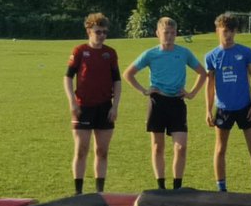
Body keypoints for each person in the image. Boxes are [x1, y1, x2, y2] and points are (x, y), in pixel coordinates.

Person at [123, 17, 207, 190]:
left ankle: (177, 186)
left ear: (176, 34)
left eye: (172, 33)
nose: (169, 36)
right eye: (165, 33)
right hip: (157, 103)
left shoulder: (184, 53)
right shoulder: (150, 54)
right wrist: (144, 90)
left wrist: (191, 93)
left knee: (181, 147)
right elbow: (128, 74)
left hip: (177, 103)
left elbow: (202, 73)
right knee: (157, 146)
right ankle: (161, 187)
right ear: (157, 33)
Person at [204, 13, 251, 194]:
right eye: (224, 31)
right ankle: (221, 189)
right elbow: (209, 84)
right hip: (223, 109)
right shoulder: (211, 56)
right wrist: (208, 109)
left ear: (235, 32)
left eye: (231, 31)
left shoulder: (246, 52)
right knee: (220, 149)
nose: (228, 35)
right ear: (217, 31)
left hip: (245, 107)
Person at [64, 12, 120, 195]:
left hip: (105, 107)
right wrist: (72, 102)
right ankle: (78, 193)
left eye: (104, 32)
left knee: (102, 151)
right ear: (89, 31)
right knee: (81, 150)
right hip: (83, 107)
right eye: (98, 31)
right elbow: (68, 77)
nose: (102, 35)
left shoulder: (110, 53)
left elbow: (117, 81)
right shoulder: (79, 51)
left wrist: (115, 106)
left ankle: (99, 193)